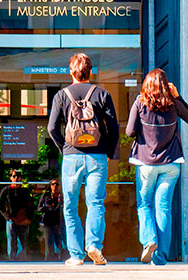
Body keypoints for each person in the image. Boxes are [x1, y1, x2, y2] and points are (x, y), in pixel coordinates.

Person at [47, 53, 119, 266]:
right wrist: (108, 151)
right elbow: (113, 127)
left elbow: (52, 128)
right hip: (97, 156)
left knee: (70, 206)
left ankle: (76, 255)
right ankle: (94, 245)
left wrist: (64, 148)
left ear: (71, 71)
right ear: (90, 71)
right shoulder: (102, 94)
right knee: (95, 202)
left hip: (71, 157)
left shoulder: (61, 95)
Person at [126, 68, 188, 266]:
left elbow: (130, 131)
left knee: (144, 204)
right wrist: (177, 96)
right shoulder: (173, 104)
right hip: (171, 163)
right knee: (163, 207)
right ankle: (160, 257)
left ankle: (149, 240)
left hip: (145, 163)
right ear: (167, 86)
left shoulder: (140, 102)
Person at [0, 169, 34, 260]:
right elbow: (0, 205)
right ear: (10, 178)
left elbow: (31, 205)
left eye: (18, 176)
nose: (16, 178)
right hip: (12, 221)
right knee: (12, 242)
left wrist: (29, 218)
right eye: (14, 176)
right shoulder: (6, 190)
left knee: (23, 243)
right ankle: (12, 261)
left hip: (23, 221)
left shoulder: (25, 191)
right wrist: (8, 217)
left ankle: (22, 260)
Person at [37, 178, 64, 261]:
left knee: (61, 244)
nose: (55, 186)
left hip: (59, 223)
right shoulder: (46, 196)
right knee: (49, 244)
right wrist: (46, 207)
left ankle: (61, 259)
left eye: (57, 184)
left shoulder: (62, 197)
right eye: (53, 184)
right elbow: (39, 209)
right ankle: (48, 261)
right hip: (48, 223)